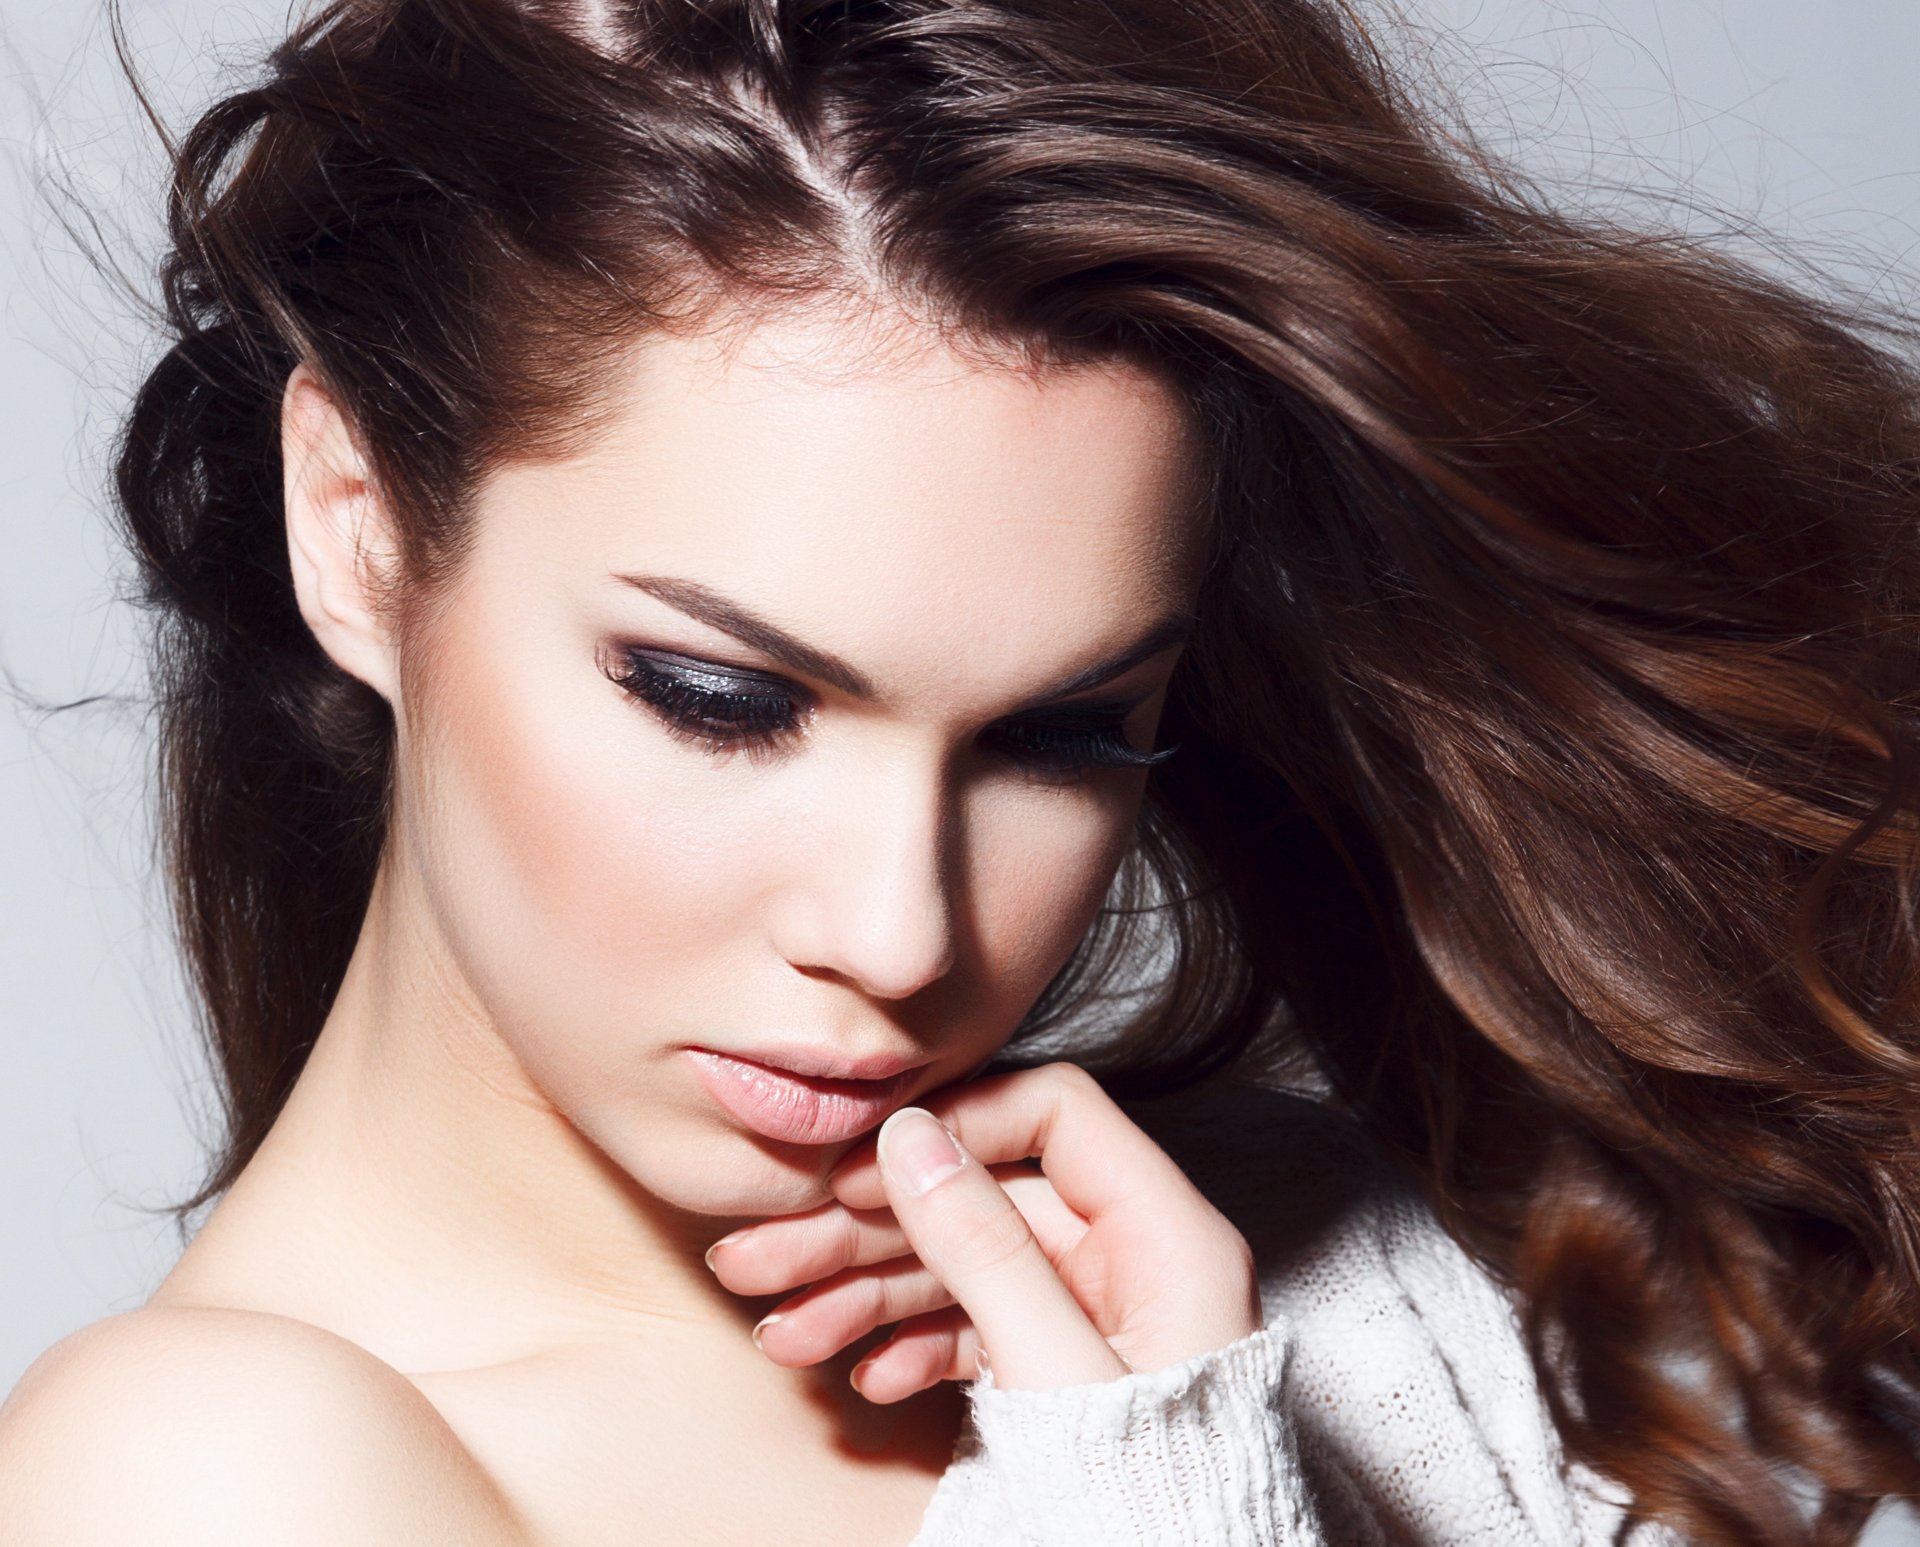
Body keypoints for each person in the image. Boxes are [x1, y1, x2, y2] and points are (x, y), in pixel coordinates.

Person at [2, 0, 1918, 1540]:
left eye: (1061, 733)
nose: (902, 932)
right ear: (356, 530)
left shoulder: (1320, 1263)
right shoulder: (203, 1472)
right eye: (723, 699)